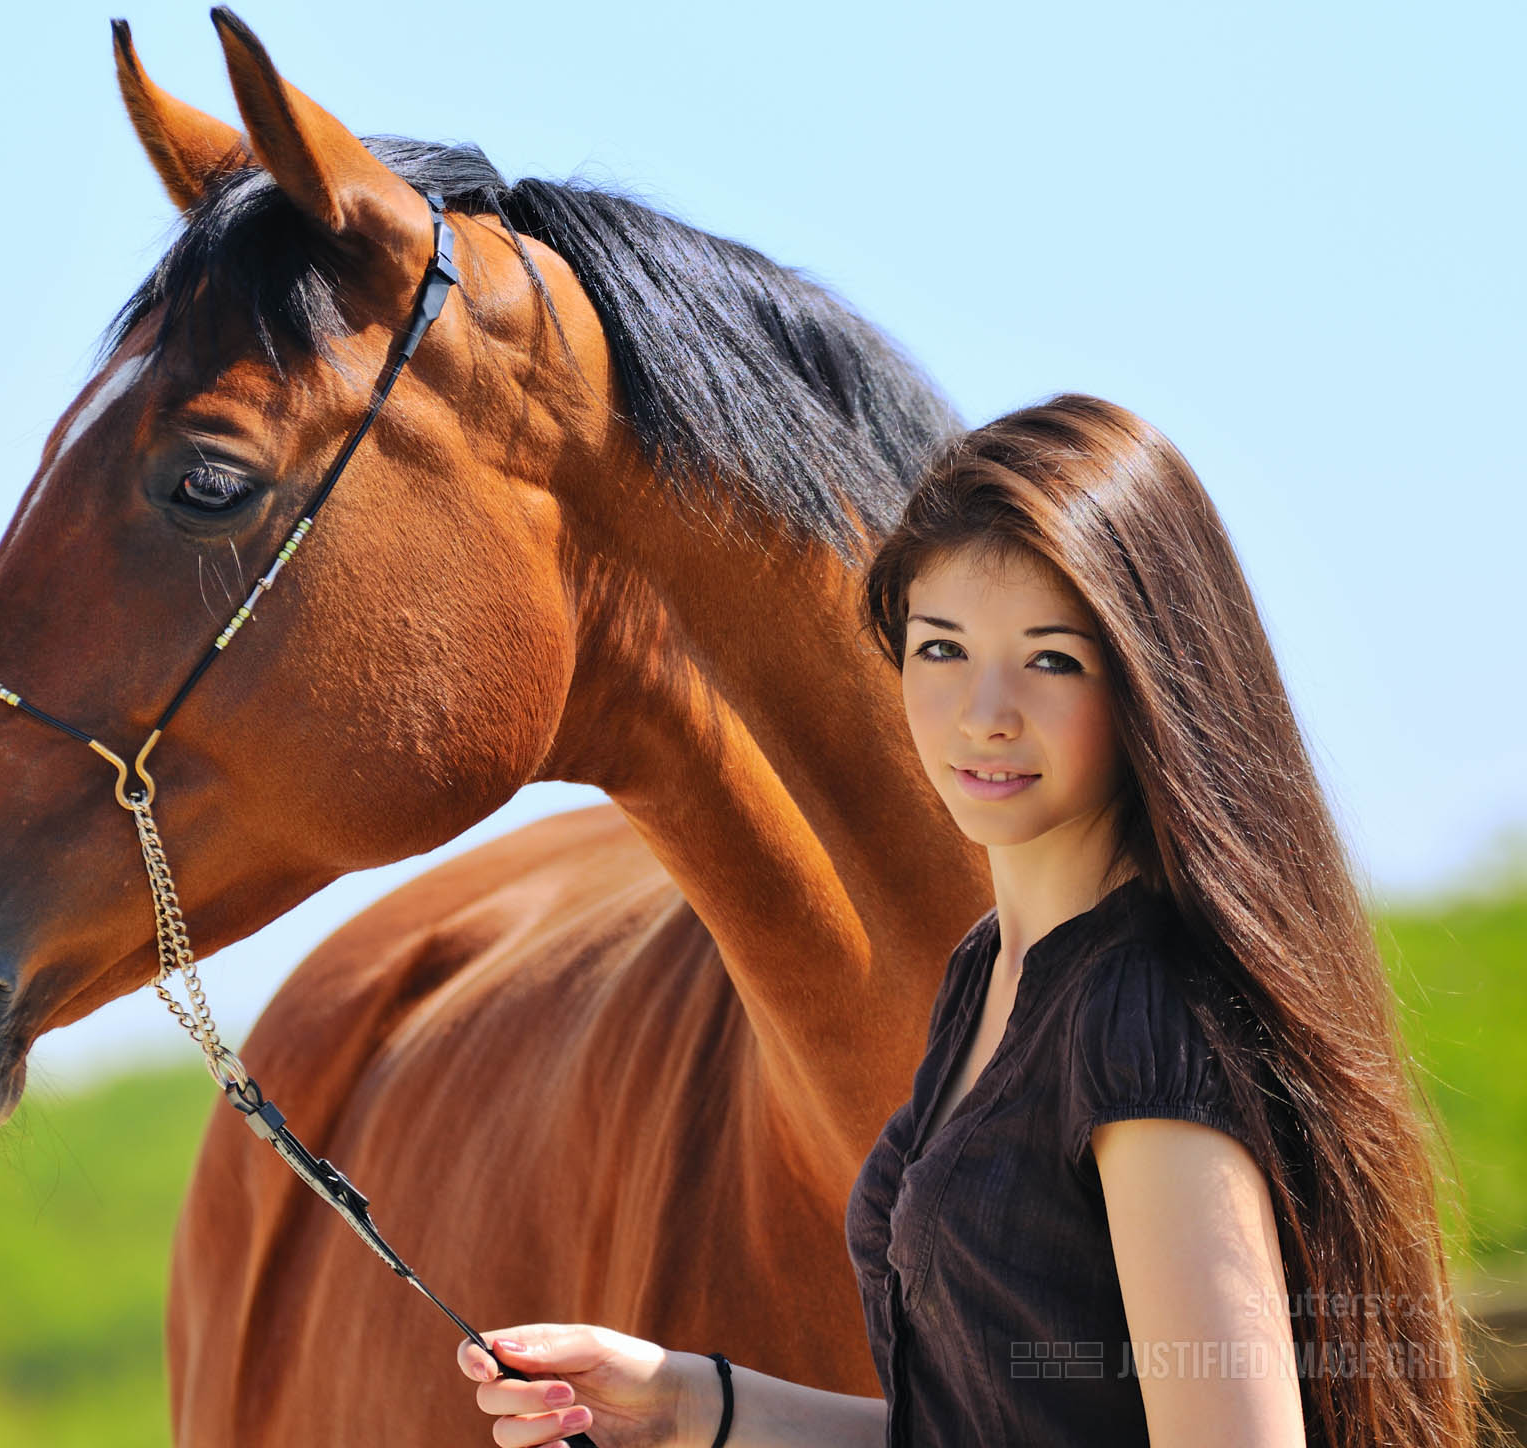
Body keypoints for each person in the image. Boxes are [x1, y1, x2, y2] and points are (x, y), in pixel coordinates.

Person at [453, 395, 1491, 1447]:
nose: (983, 709)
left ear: (1151, 677)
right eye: (941, 647)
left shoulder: (1136, 1012)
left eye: (1050, 658)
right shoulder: (990, 971)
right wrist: (691, 1403)